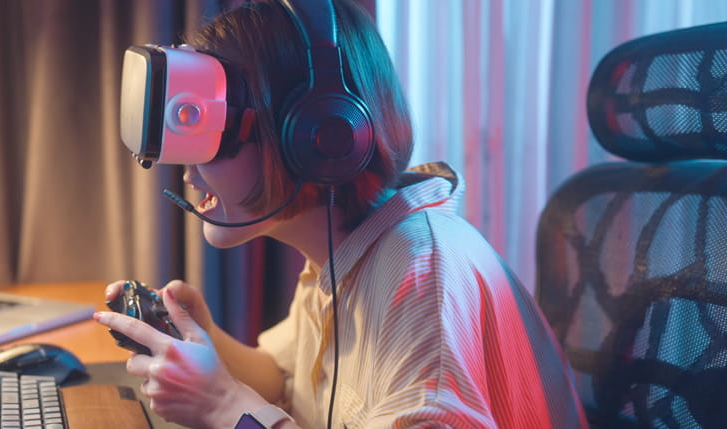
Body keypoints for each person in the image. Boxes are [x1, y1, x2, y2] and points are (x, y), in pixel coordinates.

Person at [94, 1, 587, 428]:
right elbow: (284, 377)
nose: (187, 171)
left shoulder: (418, 274)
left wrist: (225, 408)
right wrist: (205, 341)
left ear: (315, 134)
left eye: (212, 136)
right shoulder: (343, 250)